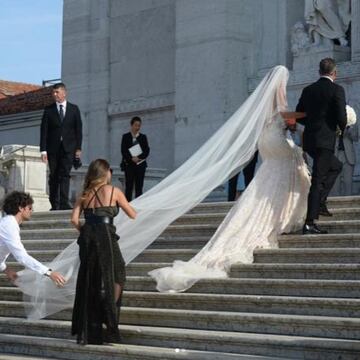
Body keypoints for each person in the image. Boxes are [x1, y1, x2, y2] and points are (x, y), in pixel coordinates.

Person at [149, 66, 311, 293]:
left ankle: (278, 209)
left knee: (271, 174)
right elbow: (286, 115)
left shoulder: (261, 101)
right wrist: (304, 115)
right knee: (294, 158)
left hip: (265, 141)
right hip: (276, 138)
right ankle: (285, 214)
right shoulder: (280, 96)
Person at [71, 159, 136, 345]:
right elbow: (132, 214)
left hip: (87, 237)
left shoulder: (83, 194)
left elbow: (74, 220)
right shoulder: (114, 191)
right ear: (105, 173)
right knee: (118, 273)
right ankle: (108, 312)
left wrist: (86, 231)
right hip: (106, 236)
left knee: (91, 278)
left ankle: (92, 323)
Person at [296, 58, 347, 234]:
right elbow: (341, 116)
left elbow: (300, 115)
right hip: (325, 141)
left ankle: (321, 202)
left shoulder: (308, 90)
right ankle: (309, 222)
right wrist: (341, 127)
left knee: (336, 166)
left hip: (310, 141)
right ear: (334, 73)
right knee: (318, 180)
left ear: (319, 71)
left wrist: (313, 120)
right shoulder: (337, 90)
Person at [0, 191, 65, 286]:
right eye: (29, 208)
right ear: (21, 208)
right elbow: (22, 257)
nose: (32, 211)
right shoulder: (9, 225)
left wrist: (5, 269)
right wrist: (49, 272)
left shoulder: (8, 223)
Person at [40, 83, 83, 210]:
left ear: (64, 93)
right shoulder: (48, 110)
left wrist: (78, 148)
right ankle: (54, 204)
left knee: (65, 174)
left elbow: (78, 130)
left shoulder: (74, 109)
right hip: (52, 150)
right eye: (53, 92)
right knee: (54, 176)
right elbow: (44, 131)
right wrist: (43, 151)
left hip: (69, 149)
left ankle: (64, 203)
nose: (54, 95)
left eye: (57, 92)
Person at [120, 116, 150, 201]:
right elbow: (123, 150)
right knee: (129, 186)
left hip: (140, 165)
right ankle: (127, 205)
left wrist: (139, 157)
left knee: (139, 187)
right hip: (129, 165)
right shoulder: (126, 137)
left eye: (139, 125)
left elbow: (146, 150)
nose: (137, 127)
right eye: (136, 125)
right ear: (131, 125)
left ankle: (138, 205)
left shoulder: (143, 137)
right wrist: (131, 158)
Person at [333, 115, 359, 195]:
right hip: (335, 155)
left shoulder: (352, 122)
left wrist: (348, 128)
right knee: (335, 184)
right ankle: (335, 206)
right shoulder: (331, 121)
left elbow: (355, 138)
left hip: (348, 157)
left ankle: (350, 205)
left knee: (348, 183)